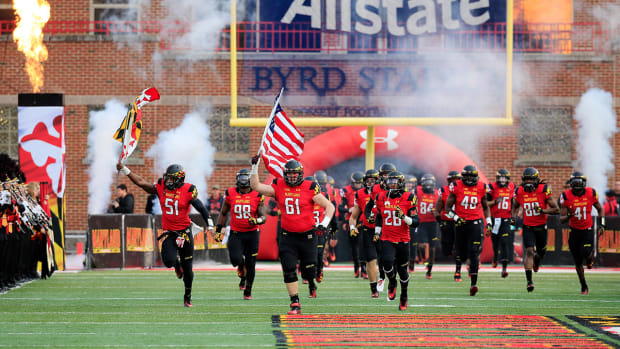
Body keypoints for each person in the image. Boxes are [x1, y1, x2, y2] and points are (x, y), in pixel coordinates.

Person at [116, 162, 213, 307]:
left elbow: (200, 207)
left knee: (188, 268)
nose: (168, 181)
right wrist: (125, 169)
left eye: (172, 179)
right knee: (168, 261)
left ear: (180, 179)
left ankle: (187, 295)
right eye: (168, 178)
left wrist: (210, 224)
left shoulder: (188, 190)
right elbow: (142, 183)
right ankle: (176, 265)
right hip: (170, 232)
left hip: (185, 233)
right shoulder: (161, 186)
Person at [250, 158, 334, 315]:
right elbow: (256, 186)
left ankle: (311, 284)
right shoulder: (279, 185)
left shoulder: (310, 187)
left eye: (295, 174)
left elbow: (329, 206)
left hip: (308, 236)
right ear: (284, 174)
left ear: (301, 174)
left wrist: (324, 223)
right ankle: (295, 302)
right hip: (288, 236)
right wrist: (254, 167)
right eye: (289, 174)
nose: (292, 177)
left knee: (309, 271)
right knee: (288, 269)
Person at [216, 168, 267, 300]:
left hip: (252, 234)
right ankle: (240, 265)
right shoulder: (230, 193)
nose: (243, 181)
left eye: (246, 178)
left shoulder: (257, 193)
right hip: (236, 233)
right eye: (241, 178)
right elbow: (223, 213)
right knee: (235, 260)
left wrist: (256, 220)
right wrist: (218, 229)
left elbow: (264, 216)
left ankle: (248, 291)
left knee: (251, 264)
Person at [373, 171, 419, 310]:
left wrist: (404, 217)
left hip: (403, 239)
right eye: (390, 182)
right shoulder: (380, 197)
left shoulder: (409, 197)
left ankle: (404, 295)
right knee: (386, 263)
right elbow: (380, 217)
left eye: (394, 182)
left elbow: (416, 222)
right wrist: (377, 232)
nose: (391, 184)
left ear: (401, 183)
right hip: (387, 237)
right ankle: (392, 282)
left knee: (403, 270)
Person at [444, 165, 491, 296]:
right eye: (467, 176)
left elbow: (486, 207)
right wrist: (456, 217)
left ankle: (474, 284)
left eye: (472, 176)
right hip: (461, 223)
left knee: (474, 252)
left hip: (475, 222)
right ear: (463, 177)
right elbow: (447, 208)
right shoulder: (456, 186)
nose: (470, 179)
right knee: (461, 254)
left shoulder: (481, 187)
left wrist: (490, 222)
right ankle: (463, 267)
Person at [512, 167, 559, 293]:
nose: (528, 182)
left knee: (541, 252)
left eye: (531, 179)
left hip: (541, 226)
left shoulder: (543, 190)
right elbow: (515, 206)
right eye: (526, 179)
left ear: (536, 180)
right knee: (529, 251)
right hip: (528, 226)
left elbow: (556, 209)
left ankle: (537, 261)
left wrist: (542, 210)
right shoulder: (520, 191)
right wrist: (513, 217)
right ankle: (529, 281)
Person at [559, 172, 604, 295]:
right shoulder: (566, 196)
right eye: (575, 182)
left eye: (579, 182)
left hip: (587, 230)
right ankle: (583, 285)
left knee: (585, 252)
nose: (577, 185)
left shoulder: (591, 193)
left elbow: (600, 209)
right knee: (578, 262)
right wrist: (568, 215)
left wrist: (602, 224)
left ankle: (590, 258)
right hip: (574, 232)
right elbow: (561, 219)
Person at [363, 163, 396, 291]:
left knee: (389, 257)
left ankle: (390, 278)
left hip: (391, 226)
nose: (387, 177)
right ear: (380, 176)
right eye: (384, 174)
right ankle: (382, 277)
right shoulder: (375, 189)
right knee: (379, 256)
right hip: (377, 225)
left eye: (389, 174)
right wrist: (368, 215)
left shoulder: (397, 189)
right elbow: (369, 205)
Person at [349, 169, 381, 297]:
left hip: (384, 229)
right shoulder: (360, 194)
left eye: (373, 181)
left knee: (387, 260)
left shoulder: (385, 192)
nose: (370, 183)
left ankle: (388, 282)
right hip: (368, 230)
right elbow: (354, 216)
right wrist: (352, 226)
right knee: (371, 260)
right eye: (368, 181)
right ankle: (374, 289)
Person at [486, 168, 515, 278]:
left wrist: (514, 218)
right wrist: (494, 202)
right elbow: (485, 203)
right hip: (495, 219)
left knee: (504, 242)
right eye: (501, 178)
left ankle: (504, 268)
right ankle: (495, 256)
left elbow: (514, 203)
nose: (502, 180)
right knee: (495, 242)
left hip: (506, 219)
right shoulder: (492, 187)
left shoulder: (512, 187)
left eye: (504, 178)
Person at [434, 170, 463, 282]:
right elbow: (438, 209)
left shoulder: (464, 190)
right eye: (453, 180)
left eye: (457, 180)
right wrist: (440, 221)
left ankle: (458, 271)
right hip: (447, 221)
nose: (455, 182)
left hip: (459, 221)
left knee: (458, 247)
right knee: (446, 248)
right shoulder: (443, 191)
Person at [339, 171, 364, 277]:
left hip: (363, 220)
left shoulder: (366, 191)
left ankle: (363, 269)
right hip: (352, 220)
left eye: (360, 183)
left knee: (363, 245)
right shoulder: (346, 191)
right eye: (356, 183)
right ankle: (356, 267)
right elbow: (340, 207)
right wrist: (349, 210)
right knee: (354, 246)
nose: (358, 185)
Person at [416, 173, 439, 279]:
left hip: (432, 223)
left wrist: (437, 212)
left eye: (430, 183)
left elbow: (441, 207)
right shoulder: (418, 191)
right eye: (426, 182)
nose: (428, 185)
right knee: (421, 245)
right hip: (421, 222)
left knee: (432, 246)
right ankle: (424, 259)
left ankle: (429, 269)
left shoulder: (437, 194)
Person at [405, 175, 418, 272]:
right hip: (402, 221)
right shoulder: (400, 193)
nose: (409, 185)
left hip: (413, 219)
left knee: (413, 243)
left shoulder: (417, 193)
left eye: (411, 183)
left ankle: (412, 263)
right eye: (407, 183)